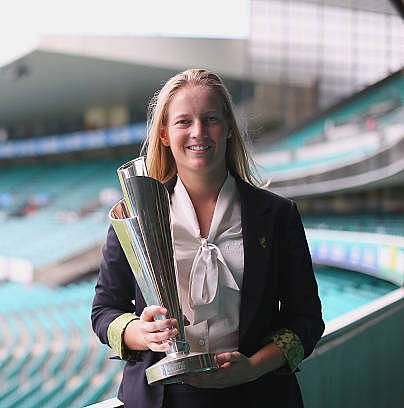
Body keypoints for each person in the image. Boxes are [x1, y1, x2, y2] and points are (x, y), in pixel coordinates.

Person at [91, 69, 324, 408]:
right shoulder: (132, 217)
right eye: (184, 122)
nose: (198, 132)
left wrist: (252, 368)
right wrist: (140, 334)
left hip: (257, 394)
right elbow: (104, 311)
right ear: (165, 135)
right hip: (163, 398)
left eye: (210, 119)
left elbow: (306, 318)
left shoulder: (277, 215)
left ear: (229, 127)